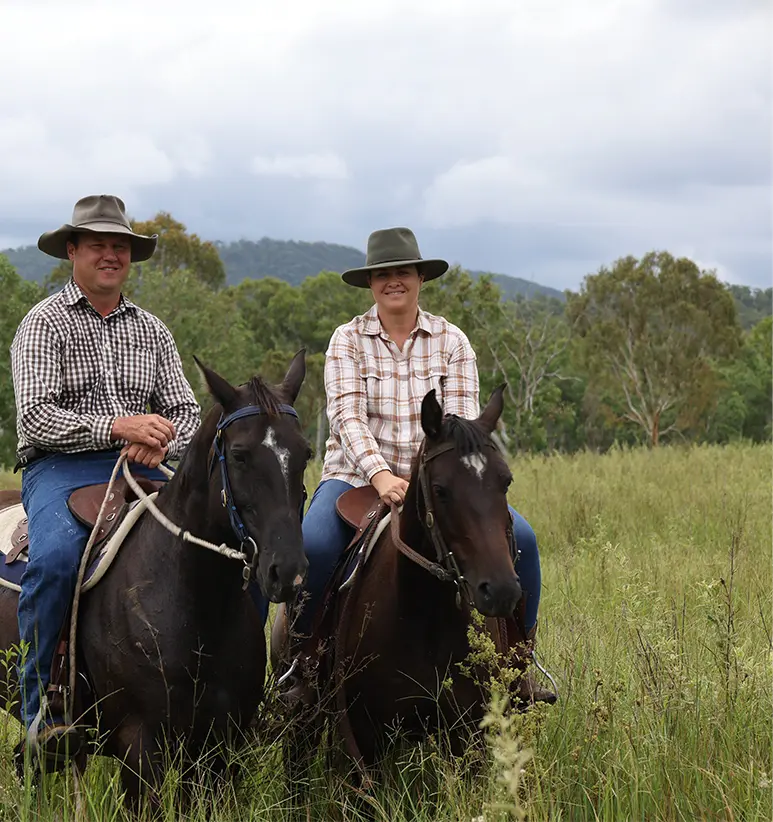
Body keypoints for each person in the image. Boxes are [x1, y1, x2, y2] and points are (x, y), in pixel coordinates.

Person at [284, 226, 555, 705]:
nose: (394, 281)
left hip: (440, 481)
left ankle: (516, 668)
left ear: (419, 279)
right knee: (315, 545)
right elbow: (345, 416)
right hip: (354, 477)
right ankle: (305, 664)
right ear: (370, 283)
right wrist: (381, 475)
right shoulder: (347, 340)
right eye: (383, 274)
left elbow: (463, 426)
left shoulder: (451, 340)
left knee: (526, 542)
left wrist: (423, 480)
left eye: (402, 272)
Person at [10, 194, 201, 761]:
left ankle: (219, 695)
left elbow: (187, 412)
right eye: (98, 245)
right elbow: (36, 416)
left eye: (120, 246)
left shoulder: (153, 330)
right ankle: (42, 711)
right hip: (63, 467)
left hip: (147, 467)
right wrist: (118, 429)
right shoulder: (44, 323)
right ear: (73, 251)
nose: (111, 255)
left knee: (216, 545)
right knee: (53, 561)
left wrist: (160, 438)